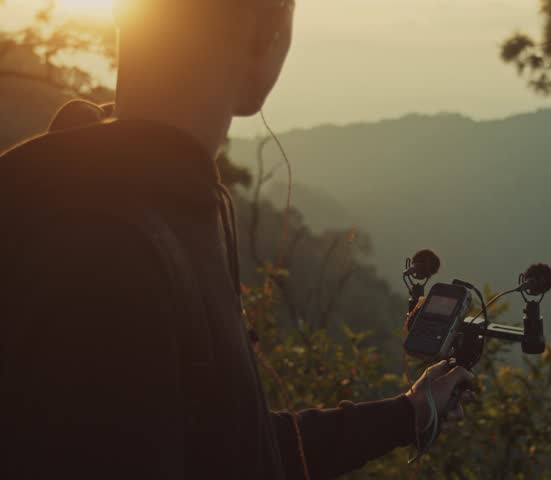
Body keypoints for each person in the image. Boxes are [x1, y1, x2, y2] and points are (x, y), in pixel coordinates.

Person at [0, 1, 474, 478]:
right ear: (270, 27)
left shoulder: (114, 203)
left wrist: (406, 414)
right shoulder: (113, 248)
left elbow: (233, 449)